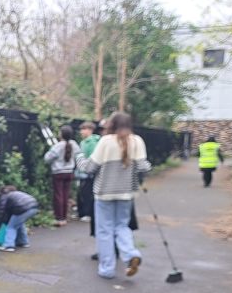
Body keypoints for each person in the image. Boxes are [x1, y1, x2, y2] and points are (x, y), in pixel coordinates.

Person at [77, 111, 152, 279]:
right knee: (122, 227)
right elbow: (143, 167)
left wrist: (79, 157)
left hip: (104, 193)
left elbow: (89, 168)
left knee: (104, 231)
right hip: (126, 193)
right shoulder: (137, 141)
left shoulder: (106, 142)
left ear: (111, 124)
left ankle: (107, 268)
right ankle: (130, 253)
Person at [44, 125, 80, 226]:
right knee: (65, 194)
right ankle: (64, 216)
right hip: (69, 172)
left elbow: (47, 158)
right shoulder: (74, 144)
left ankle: (59, 218)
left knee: (58, 195)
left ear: (61, 134)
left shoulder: (58, 145)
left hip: (58, 172)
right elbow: (78, 154)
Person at [0, 186, 39, 252]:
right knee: (18, 223)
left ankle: (8, 246)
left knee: (11, 227)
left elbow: (0, 214)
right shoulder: (15, 194)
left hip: (23, 208)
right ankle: (23, 242)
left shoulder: (4, 197)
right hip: (34, 206)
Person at [76, 121, 100, 225]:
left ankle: (87, 214)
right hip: (82, 172)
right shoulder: (83, 142)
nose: (81, 131)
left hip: (89, 172)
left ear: (90, 130)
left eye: (84, 129)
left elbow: (92, 158)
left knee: (87, 193)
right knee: (82, 192)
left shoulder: (92, 142)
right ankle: (82, 213)